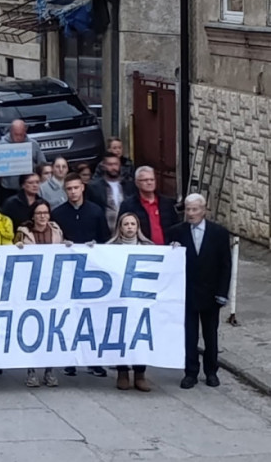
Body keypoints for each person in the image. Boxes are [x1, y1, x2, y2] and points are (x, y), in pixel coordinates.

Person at [169, 194, 232, 390]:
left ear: (204, 210)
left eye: (195, 209)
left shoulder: (219, 233)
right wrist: (171, 250)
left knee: (210, 334)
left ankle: (211, 371)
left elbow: (225, 265)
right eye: (188, 209)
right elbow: (170, 264)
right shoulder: (176, 232)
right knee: (189, 335)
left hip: (211, 293)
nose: (191, 213)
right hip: (187, 293)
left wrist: (222, 292)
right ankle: (191, 372)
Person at [51, 172, 109, 378]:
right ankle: (70, 359)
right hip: (67, 272)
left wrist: (97, 247)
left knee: (92, 316)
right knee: (69, 315)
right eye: (69, 189)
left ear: (82, 188)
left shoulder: (95, 211)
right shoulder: (57, 213)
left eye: (76, 188)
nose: (73, 192)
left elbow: (105, 240)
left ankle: (94, 360)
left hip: (92, 272)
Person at [14, 199, 63, 388]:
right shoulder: (23, 233)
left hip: (52, 285)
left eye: (45, 213)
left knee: (51, 327)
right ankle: (31, 370)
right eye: (39, 213)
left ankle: (50, 370)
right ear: (33, 216)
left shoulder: (57, 232)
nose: (42, 216)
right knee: (32, 328)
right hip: (31, 286)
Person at [107, 212, 154, 392]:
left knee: (139, 335)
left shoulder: (148, 246)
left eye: (132, 224)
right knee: (121, 334)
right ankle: (122, 372)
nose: (129, 227)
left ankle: (140, 374)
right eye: (126, 224)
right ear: (120, 227)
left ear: (137, 227)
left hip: (140, 300)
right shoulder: (110, 247)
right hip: (119, 299)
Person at [118, 166, 179, 245]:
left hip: (167, 249)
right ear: (137, 183)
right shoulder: (128, 205)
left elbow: (176, 226)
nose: (149, 182)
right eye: (145, 180)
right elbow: (121, 229)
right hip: (141, 249)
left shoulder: (166, 203)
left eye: (152, 179)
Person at [86, 152, 136, 231]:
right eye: (110, 164)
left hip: (127, 230)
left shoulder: (129, 185)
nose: (113, 167)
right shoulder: (94, 187)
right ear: (104, 166)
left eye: (116, 164)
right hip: (104, 230)